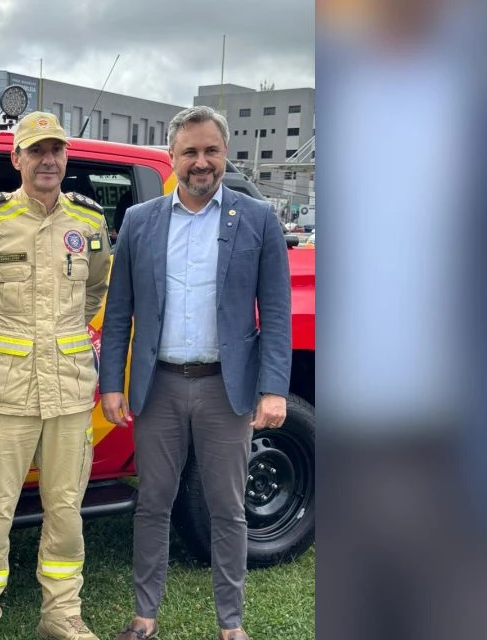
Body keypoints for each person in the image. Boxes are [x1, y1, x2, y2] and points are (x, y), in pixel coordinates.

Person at [99, 105, 292, 640]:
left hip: (224, 390)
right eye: (190, 152)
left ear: (225, 154)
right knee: (153, 504)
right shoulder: (140, 222)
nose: (200, 162)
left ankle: (231, 625)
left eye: (210, 151)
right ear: (171, 158)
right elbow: (119, 313)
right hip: (158, 386)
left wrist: (274, 388)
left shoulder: (258, 220)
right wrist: (112, 383)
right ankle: (145, 616)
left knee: (227, 510)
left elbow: (275, 311)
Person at [0, 112, 111, 640]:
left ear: (66, 158)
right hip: (8, 393)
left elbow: (95, 291)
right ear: (16, 158)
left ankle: (61, 614)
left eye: (56, 151)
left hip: (68, 392)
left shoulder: (88, 222)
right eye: (36, 151)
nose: (48, 160)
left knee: (66, 510)